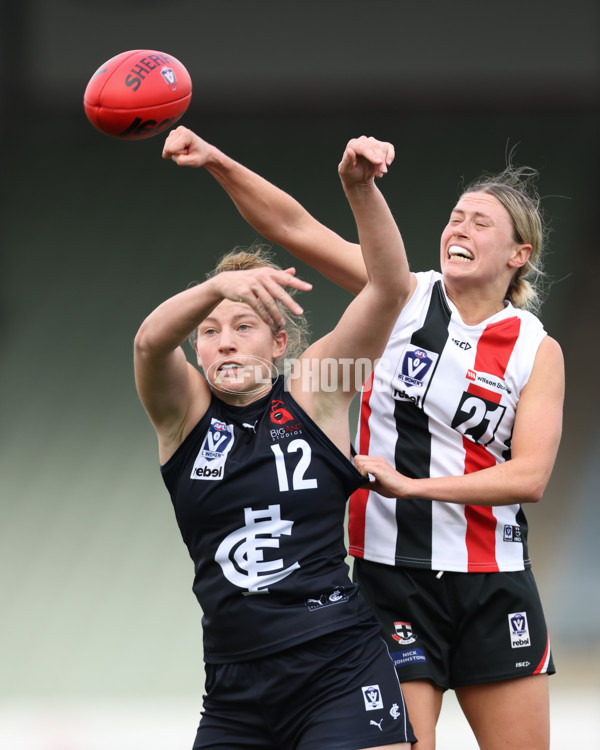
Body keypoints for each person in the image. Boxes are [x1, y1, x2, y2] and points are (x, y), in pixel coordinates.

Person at [162, 127, 565, 750]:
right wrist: (217, 159)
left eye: (481, 223)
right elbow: (292, 227)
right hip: (391, 574)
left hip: (493, 575)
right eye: (455, 217)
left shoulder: (537, 348)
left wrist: (415, 485)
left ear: (519, 253)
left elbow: (531, 476)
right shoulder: (407, 297)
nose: (460, 228)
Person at [134, 134, 417, 749]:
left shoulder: (318, 388)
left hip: (337, 663)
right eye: (210, 332)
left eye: (243, 326)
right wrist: (217, 290)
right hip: (234, 682)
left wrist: (360, 189)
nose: (226, 342)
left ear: (280, 344)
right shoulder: (182, 412)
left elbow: (392, 290)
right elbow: (150, 343)